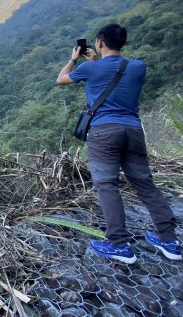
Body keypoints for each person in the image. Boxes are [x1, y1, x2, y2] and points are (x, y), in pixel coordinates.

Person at [56, 23, 180, 264]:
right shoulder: (137, 67)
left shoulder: (90, 69)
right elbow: (114, 77)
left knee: (107, 186)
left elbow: (61, 79)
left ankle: (119, 244)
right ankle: (170, 241)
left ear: (100, 42)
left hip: (104, 133)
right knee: (145, 184)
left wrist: (75, 59)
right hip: (133, 130)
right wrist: (94, 62)